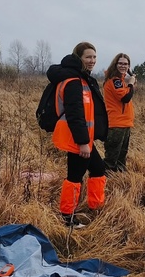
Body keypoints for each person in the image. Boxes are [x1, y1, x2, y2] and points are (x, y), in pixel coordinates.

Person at [46, 42, 108, 228]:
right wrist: (82, 143)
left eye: (94, 57)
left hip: (84, 137)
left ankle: (95, 205)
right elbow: (75, 114)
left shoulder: (82, 78)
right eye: (88, 57)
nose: (92, 61)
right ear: (78, 58)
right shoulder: (73, 82)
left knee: (98, 168)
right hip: (77, 138)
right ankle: (68, 218)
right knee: (75, 176)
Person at [103, 53, 136, 172]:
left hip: (124, 123)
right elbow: (125, 97)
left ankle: (120, 180)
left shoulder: (121, 81)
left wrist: (129, 81)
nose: (123, 66)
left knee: (121, 156)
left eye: (126, 64)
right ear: (115, 64)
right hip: (116, 124)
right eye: (120, 63)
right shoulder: (114, 81)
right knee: (112, 157)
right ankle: (104, 180)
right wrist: (131, 83)